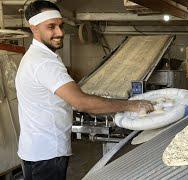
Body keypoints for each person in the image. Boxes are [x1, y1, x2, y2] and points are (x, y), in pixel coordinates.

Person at [15, 1, 154, 180]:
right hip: (46, 153)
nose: (60, 33)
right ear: (34, 28)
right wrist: (131, 105)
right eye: (51, 27)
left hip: (36, 150)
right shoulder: (44, 62)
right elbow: (80, 102)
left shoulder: (35, 57)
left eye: (60, 26)